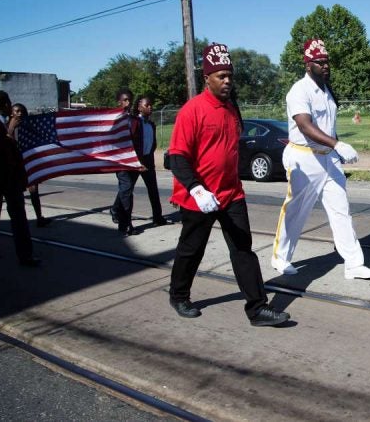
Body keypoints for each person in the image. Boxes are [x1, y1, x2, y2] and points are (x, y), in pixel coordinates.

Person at [166, 42, 289, 326]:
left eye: (230, 75)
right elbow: (177, 157)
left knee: (242, 249)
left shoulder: (233, 109)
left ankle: (257, 309)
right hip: (199, 198)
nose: (227, 81)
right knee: (191, 249)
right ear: (206, 77)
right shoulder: (192, 111)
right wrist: (196, 189)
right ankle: (179, 295)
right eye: (221, 76)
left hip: (231, 193)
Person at [271, 38, 370, 280]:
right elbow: (305, 125)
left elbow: (328, 127)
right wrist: (337, 144)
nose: (325, 65)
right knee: (297, 210)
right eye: (320, 62)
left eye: (327, 61)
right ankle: (281, 258)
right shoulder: (298, 91)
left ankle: (353, 264)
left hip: (328, 158)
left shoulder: (327, 90)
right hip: (304, 157)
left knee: (341, 209)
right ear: (308, 64)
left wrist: (336, 147)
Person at [0, 90, 40, 267]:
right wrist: (10, 130)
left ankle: (19, 254)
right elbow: (0, 152)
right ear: (6, 104)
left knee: (9, 216)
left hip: (5, 180)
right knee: (0, 215)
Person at [110, 95, 171, 233]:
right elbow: (131, 143)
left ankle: (158, 217)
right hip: (135, 162)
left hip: (148, 161)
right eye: (147, 105)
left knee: (153, 190)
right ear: (139, 107)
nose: (150, 107)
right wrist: (136, 162)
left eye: (151, 105)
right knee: (127, 189)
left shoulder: (151, 125)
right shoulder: (134, 122)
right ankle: (116, 211)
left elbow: (153, 143)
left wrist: (149, 157)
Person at [7, 103, 51, 227]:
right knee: (17, 196)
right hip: (14, 167)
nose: (20, 113)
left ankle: (39, 218)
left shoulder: (29, 126)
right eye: (17, 111)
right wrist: (10, 129)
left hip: (28, 164)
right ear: (12, 113)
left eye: (22, 111)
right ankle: (19, 221)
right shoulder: (6, 126)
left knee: (34, 192)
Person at [109, 87, 141, 235]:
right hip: (120, 161)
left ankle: (115, 209)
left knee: (125, 190)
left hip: (134, 161)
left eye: (130, 100)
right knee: (127, 189)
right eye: (125, 100)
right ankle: (126, 223)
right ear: (119, 102)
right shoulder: (112, 120)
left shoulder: (135, 120)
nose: (128, 103)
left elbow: (139, 141)